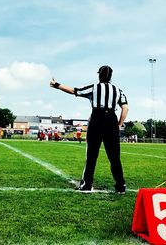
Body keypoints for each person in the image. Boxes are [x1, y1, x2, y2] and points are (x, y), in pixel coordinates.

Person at [50, 65, 129, 194]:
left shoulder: (94, 88)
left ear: (99, 75)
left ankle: (87, 184)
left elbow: (73, 91)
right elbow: (125, 108)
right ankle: (120, 186)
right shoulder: (118, 90)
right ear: (110, 76)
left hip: (97, 119)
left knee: (91, 155)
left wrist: (56, 84)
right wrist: (119, 124)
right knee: (114, 156)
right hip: (111, 120)